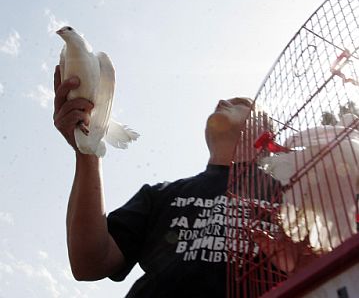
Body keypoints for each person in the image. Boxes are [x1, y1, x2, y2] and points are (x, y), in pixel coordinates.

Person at [53, 66, 317, 297]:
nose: (222, 100)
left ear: (265, 134)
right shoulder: (160, 195)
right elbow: (89, 262)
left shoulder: (296, 193)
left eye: (240, 102)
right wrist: (87, 150)